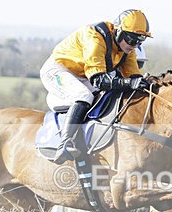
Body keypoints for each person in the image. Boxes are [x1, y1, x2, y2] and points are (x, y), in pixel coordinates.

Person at [40, 9, 153, 162]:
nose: (135, 46)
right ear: (119, 31)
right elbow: (99, 81)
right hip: (58, 70)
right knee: (83, 95)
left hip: (82, 75)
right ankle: (65, 142)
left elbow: (133, 76)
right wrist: (130, 83)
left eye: (140, 42)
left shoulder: (128, 49)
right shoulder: (95, 37)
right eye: (132, 40)